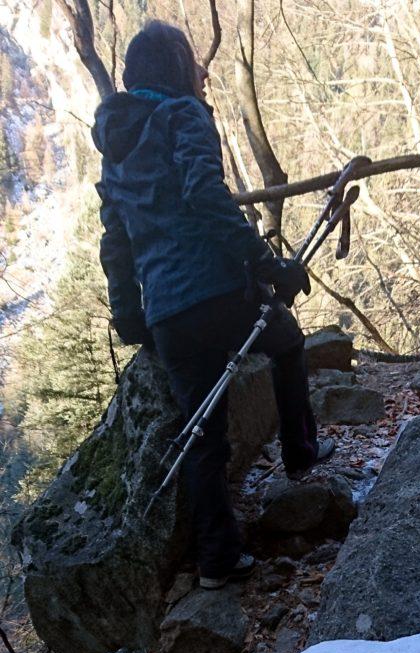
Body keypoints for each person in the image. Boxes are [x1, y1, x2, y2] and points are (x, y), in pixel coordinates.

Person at [91, 19, 334, 588]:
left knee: (202, 433)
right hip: (217, 290)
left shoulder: (115, 149)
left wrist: (130, 316)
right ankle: (301, 452)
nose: (201, 71)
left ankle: (217, 561)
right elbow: (205, 195)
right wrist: (266, 264)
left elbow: (115, 240)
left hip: (166, 314)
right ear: (175, 69)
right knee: (287, 338)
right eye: (193, 61)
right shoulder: (183, 116)